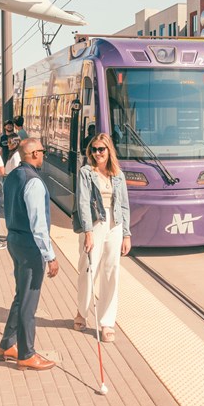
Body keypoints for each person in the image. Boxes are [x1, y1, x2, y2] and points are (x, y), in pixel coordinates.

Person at [0, 138, 60, 370]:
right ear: (33, 154)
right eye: (42, 151)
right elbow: (38, 224)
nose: (44, 155)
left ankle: (7, 345)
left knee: (20, 295)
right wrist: (50, 256)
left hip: (14, 239)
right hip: (30, 245)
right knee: (29, 301)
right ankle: (26, 353)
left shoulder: (12, 176)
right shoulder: (34, 182)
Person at [73, 133, 131, 343]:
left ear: (109, 151)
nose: (97, 153)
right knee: (88, 270)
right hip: (95, 224)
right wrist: (88, 232)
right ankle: (82, 312)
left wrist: (126, 234)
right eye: (94, 149)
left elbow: (124, 205)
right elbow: (82, 203)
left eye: (101, 149)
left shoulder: (118, 175)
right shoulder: (86, 173)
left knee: (111, 272)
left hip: (115, 225)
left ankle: (107, 322)